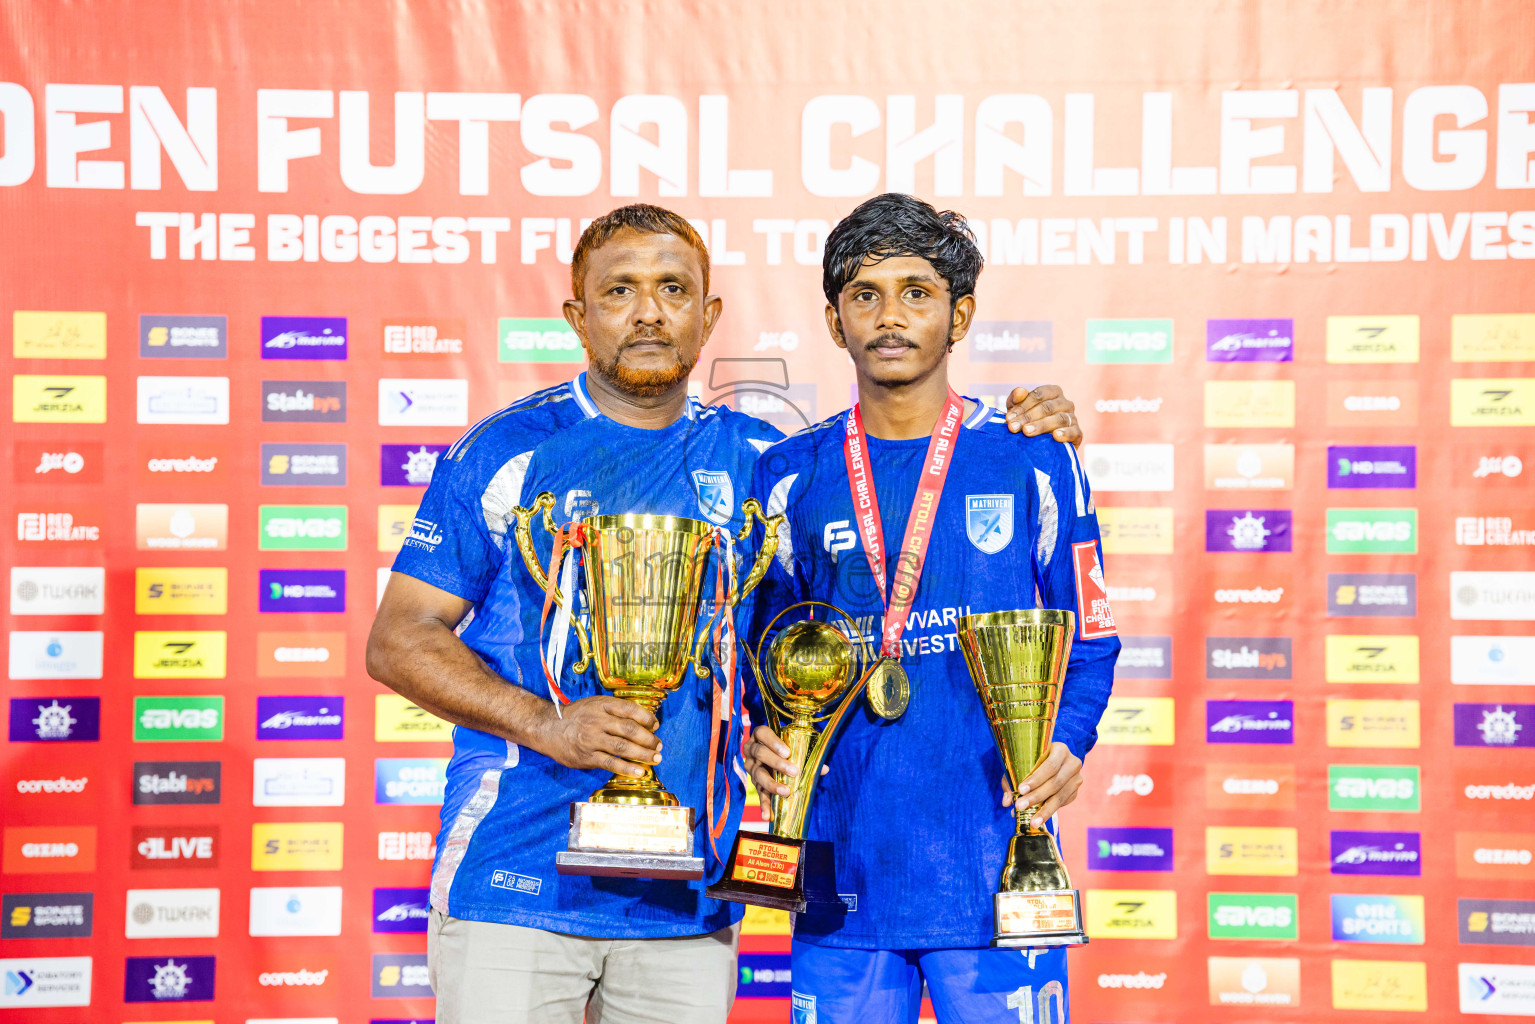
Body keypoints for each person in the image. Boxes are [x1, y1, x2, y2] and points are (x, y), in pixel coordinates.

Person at [366, 202, 1085, 1024]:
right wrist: (546, 725)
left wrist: (1036, 423)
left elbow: (800, 619)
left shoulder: (764, 463)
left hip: (689, 904)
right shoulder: (508, 452)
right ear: (577, 316)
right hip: (518, 885)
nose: (647, 313)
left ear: (706, 317)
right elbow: (398, 640)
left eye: (672, 289)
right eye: (619, 292)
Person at [743, 193, 1121, 1024]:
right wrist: (759, 736)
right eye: (864, 294)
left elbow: (1089, 637)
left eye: (916, 292)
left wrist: (1066, 742)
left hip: (992, 867)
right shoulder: (785, 474)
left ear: (960, 314)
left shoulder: (1033, 460)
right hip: (839, 873)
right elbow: (755, 651)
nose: (889, 316)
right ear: (835, 320)